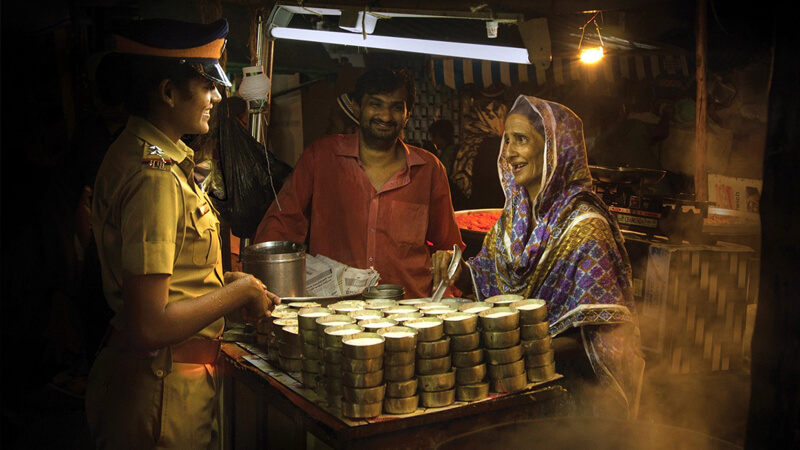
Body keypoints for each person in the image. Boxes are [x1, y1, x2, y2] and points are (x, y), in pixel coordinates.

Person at [84, 18, 280, 449]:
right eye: (206, 84)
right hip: (160, 395)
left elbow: (170, 279)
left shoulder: (142, 153)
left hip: (164, 382)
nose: (215, 96)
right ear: (169, 92)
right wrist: (240, 291)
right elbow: (150, 324)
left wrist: (227, 286)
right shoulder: (154, 177)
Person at [431, 95, 645, 419]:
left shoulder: (586, 227)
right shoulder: (513, 217)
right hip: (516, 382)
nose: (509, 152)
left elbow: (599, 333)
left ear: (553, 150)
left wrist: (516, 346)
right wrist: (456, 269)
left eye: (521, 140)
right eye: (507, 140)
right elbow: (490, 275)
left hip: (574, 399)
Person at [254, 67, 464, 298]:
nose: (385, 116)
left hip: (409, 313)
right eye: (376, 104)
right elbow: (281, 224)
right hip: (336, 314)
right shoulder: (321, 156)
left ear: (408, 113)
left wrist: (447, 259)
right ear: (357, 107)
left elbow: (449, 246)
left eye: (396, 107)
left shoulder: (429, 169)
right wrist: (263, 284)